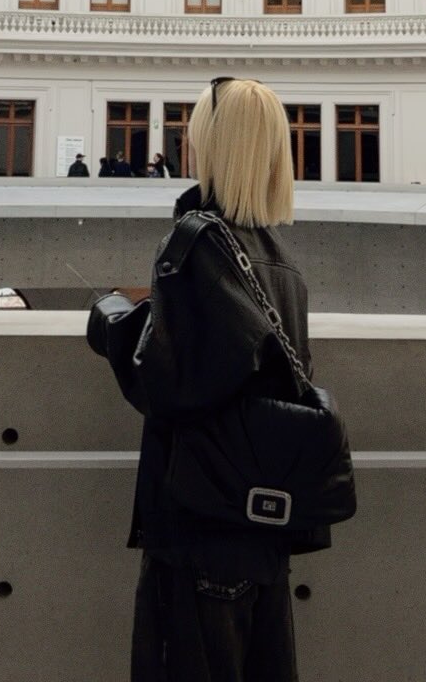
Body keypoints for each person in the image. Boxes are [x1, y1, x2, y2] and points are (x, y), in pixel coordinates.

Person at [88, 78, 324, 682]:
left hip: (199, 531)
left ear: (214, 144)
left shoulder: (196, 243)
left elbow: (166, 386)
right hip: (262, 537)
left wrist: (113, 322)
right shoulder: (282, 260)